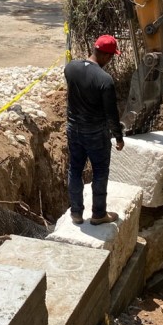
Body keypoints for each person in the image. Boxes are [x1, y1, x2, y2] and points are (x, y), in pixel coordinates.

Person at [64, 34, 125, 225]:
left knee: (75, 169)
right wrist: (118, 137)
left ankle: (76, 212)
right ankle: (99, 214)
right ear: (107, 56)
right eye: (112, 56)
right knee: (100, 172)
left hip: (74, 128)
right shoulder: (105, 80)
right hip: (96, 133)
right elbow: (111, 113)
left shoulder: (70, 68)